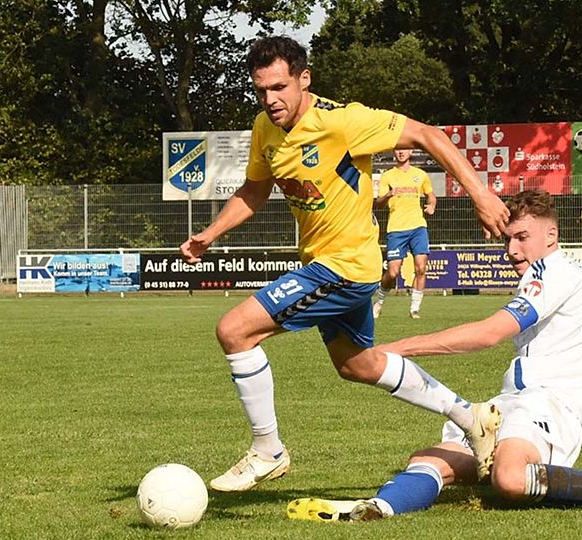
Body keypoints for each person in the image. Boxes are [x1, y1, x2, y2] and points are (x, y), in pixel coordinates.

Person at [179, 36, 509, 492]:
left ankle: (267, 449)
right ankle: (468, 416)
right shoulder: (265, 128)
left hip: (346, 266)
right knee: (358, 365)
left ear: (304, 79)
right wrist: (210, 235)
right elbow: (254, 192)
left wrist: (481, 193)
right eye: (261, 91)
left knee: (235, 330)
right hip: (326, 263)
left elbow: (429, 135)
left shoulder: (343, 120)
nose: (270, 100)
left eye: (279, 87)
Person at [286, 189, 582, 522]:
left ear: (551, 235)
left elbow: (489, 334)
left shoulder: (556, 272)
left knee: (511, 480)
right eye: (508, 239)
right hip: (509, 403)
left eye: (522, 238)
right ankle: (376, 509)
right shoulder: (550, 272)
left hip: (548, 406)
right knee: (427, 460)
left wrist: (393, 349)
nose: (512, 249)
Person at [372, 148, 436, 319]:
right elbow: (378, 202)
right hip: (396, 228)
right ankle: (379, 302)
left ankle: (415, 309)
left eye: (404, 149)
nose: (401, 152)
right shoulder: (387, 175)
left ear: (411, 152)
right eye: (398, 150)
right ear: (394, 153)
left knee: (421, 268)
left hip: (418, 227)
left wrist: (431, 206)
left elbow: (431, 196)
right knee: (393, 272)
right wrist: (388, 194)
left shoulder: (420, 174)